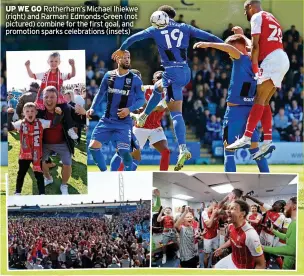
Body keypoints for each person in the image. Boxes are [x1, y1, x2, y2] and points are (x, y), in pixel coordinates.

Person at [112, 5, 223, 171]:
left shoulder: (155, 30)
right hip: (186, 71)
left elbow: (133, 38)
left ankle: (183, 148)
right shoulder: (184, 27)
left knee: (176, 112)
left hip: (172, 73)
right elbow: (208, 36)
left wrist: (121, 49)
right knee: (158, 87)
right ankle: (144, 115)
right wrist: (226, 46)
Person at [194, 34, 269, 172]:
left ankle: (230, 186)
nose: (228, 52)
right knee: (255, 150)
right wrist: (241, 34)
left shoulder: (240, 59)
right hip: (251, 112)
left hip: (235, 113)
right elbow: (252, 47)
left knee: (228, 151)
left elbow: (230, 48)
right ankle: (270, 180)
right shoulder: (255, 62)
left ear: (236, 46)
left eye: (230, 47)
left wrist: (208, 44)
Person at [227, 0, 290, 160]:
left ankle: (246, 137)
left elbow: (255, 46)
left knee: (258, 99)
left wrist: (255, 68)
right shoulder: (271, 17)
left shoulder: (256, 17)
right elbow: (259, 44)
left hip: (272, 60)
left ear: (250, 7)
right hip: (282, 59)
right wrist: (242, 36)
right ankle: (267, 140)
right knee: (265, 102)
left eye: (245, 10)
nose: (245, 14)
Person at [87, 51, 145, 171]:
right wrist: (92, 107)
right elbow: (100, 93)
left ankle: (127, 175)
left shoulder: (135, 79)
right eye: (124, 58)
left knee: (123, 152)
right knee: (93, 147)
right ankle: (105, 173)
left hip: (123, 123)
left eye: (129, 57)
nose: (127, 60)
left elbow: (141, 100)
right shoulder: (109, 75)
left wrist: (129, 109)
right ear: (118, 60)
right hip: (107, 120)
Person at [8, 102, 62, 195]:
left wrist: (58, 114)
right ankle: (17, 192)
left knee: (39, 174)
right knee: (21, 173)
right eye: (27, 111)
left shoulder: (41, 122)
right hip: (24, 154)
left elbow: (54, 124)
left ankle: (42, 193)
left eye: (32, 111)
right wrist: (9, 115)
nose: (30, 113)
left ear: (36, 112)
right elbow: (9, 127)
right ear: (23, 113)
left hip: (37, 154)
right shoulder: (20, 123)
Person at [25, 52, 78, 141]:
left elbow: (72, 75)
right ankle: (33, 131)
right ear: (48, 62)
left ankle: (69, 128)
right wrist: (27, 66)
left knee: (67, 108)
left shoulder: (61, 75)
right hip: (44, 100)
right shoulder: (43, 75)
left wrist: (72, 65)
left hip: (57, 99)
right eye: (51, 61)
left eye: (56, 61)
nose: (53, 63)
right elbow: (31, 75)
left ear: (59, 62)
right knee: (39, 114)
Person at [39, 86, 77, 195]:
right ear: (42, 98)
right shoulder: (39, 112)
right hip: (45, 143)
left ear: (57, 98)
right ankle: (48, 178)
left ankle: (64, 185)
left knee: (67, 164)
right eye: (46, 97)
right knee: (39, 162)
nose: (49, 100)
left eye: (52, 97)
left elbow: (78, 118)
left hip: (62, 143)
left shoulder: (65, 109)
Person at [132, 70, 170, 171]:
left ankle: (163, 179)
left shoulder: (168, 95)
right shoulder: (145, 89)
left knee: (166, 152)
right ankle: (118, 174)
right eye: (159, 79)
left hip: (155, 127)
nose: (162, 81)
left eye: (163, 79)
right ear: (154, 81)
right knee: (132, 156)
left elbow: (158, 108)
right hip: (140, 127)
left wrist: (145, 106)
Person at [214, 200, 266, 269]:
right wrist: (221, 247)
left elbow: (261, 265)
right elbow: (232, 239)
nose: (228, 211)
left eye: (233, 208)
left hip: (242, 267)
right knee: (214, 268)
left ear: (242, 214)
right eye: (228, 208)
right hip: (233, 258)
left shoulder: (250, 235)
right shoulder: (231, 226)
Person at [263, 197, 297, 269]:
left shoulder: (296, 224)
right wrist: (272, 230)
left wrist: (263, 248)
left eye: (287, 204)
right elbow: (286, 237)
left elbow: (291, 250)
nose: (284, 206)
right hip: (287, 262)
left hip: (291, 265)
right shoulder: (293, 222)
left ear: (294, 207)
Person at [202, 200, 219, 268]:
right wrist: (213, 214)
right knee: (207, 255)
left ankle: (212, 265)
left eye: (216, 207)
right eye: (214, 206)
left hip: (215, 236)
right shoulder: (204, 212)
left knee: (215, 252)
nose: (216, 208)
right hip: (207, 237)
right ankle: (206, 269)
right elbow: (208, 225)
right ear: (210, 205)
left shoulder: (215, 211)